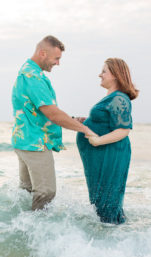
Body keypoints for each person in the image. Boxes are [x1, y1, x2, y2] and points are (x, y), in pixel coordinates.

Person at [11, 35, 96, 211]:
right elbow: (52, 114)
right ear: (42, 53)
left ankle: (21, 231)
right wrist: (85, 130)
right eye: (56, 58)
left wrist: (71, 120)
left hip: (25, 140)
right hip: (35, 143)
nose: (58, 63)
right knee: (46, 193)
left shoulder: (29, 73)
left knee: (27, 193)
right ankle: (38, 234)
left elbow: (38, 112)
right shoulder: (32, 77)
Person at [76, 58, 139, 224]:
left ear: (116, 75)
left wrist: (97, 140)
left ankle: (112, 244)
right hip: (102, 157)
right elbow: (108, 123)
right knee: (102, 204)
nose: (100, 75)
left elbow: (123, 130)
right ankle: (109, 240)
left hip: (110, 156)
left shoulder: (119, 98)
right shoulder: (112, 98)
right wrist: (88, 122)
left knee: (107, 205)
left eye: (104, 71)